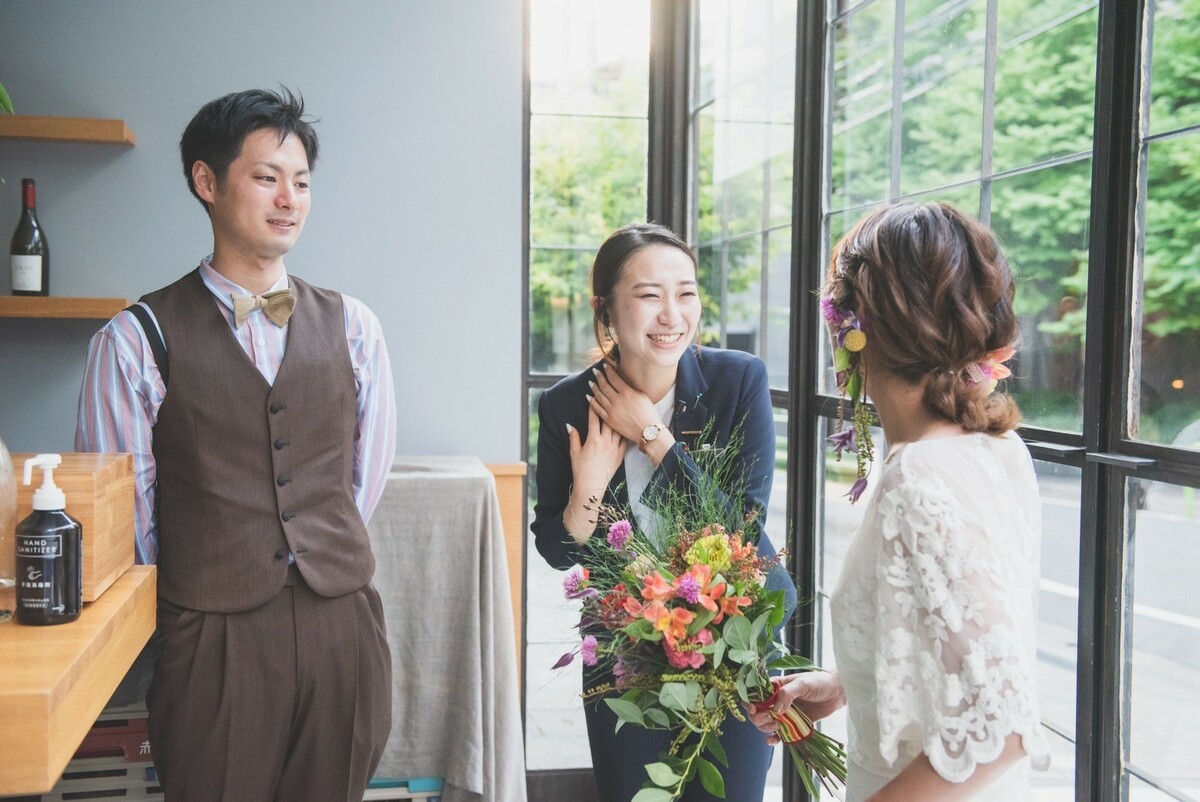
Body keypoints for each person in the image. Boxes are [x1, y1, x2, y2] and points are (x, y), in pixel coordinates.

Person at [75, 88, 396, 801]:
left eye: (302, 182)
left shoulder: (354, 326)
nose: (289, 199)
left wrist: (317, 554)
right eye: (266, 177)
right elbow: (124, 518)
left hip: (341, 620)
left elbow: (361, 481)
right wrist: (196, 595)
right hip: (210, 634)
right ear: (207, 181)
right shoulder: (133, 340)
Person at [749, 201, 1051, 800]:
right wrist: (848, 685)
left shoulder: (919, 476)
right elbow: (963, 638)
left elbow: (1003, 726)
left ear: (852, 327)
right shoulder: (997, 448)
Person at [532, 222, 797, 802]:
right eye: (650, 295)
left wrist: (654, 437)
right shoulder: (565, 404)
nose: (672, 315)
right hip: (624, 651)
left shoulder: (737, 381)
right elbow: (557, 550)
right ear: (605, 309)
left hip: (735, 639)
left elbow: (741, 526)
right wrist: (587, 489)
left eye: (686, 293)